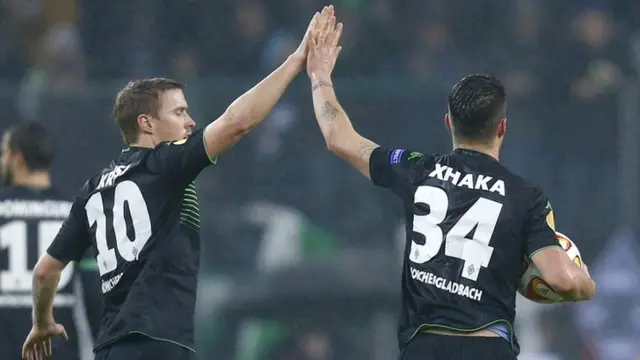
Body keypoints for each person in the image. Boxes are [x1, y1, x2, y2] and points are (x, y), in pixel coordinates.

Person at [21, 6, 336, 360]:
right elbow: (237, 122)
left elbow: (46, 270)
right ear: (147, 123)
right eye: (178, 112)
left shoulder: (93, 190)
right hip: (161, 345)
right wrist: (295, 62)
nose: (189, 122)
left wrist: (42, 323)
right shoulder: (167, 165)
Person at [305, 12, 596, 360]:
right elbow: (561, 279)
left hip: (425, 346)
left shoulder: (417, 169)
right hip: (487, 347)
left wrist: (319, 76)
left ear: (448, 122)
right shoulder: (525, 197)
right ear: (502, 127)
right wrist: (585, 283)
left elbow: (339, 137)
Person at [0, 122, 102, 360]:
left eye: (3, 153)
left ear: (17, 158)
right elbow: (95, 294)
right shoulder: (76, 212)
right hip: (58, 350)